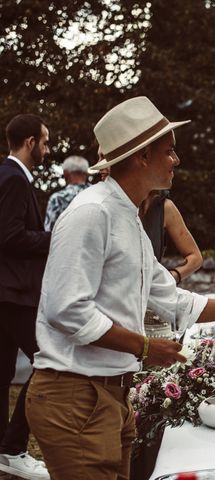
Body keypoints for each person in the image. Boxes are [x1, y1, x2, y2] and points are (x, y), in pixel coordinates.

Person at [25, 96, 215, 480]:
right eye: (169, 151)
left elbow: (173, 299)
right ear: (142, 156)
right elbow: (66, 310)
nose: (176, 160)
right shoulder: (90, 213)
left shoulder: (128, 217)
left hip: (112, 393)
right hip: (75, 396)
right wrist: (144, 347)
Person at [0, 114, 51, 479]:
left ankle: (4, 451)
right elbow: (10, 236)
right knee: (48, 358)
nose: (48, 150)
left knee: (1, 374)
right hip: (14, 292)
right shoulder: (15, 179)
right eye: (45, 142)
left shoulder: (5, 175)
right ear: (30, 142)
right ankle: (13, 448)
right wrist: (55, 238)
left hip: (4, 291)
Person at [44, 155, 91, 232]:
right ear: (86, 173)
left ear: (65, 174)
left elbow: (50, 232)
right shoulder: (98, 194)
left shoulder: (57, 198)